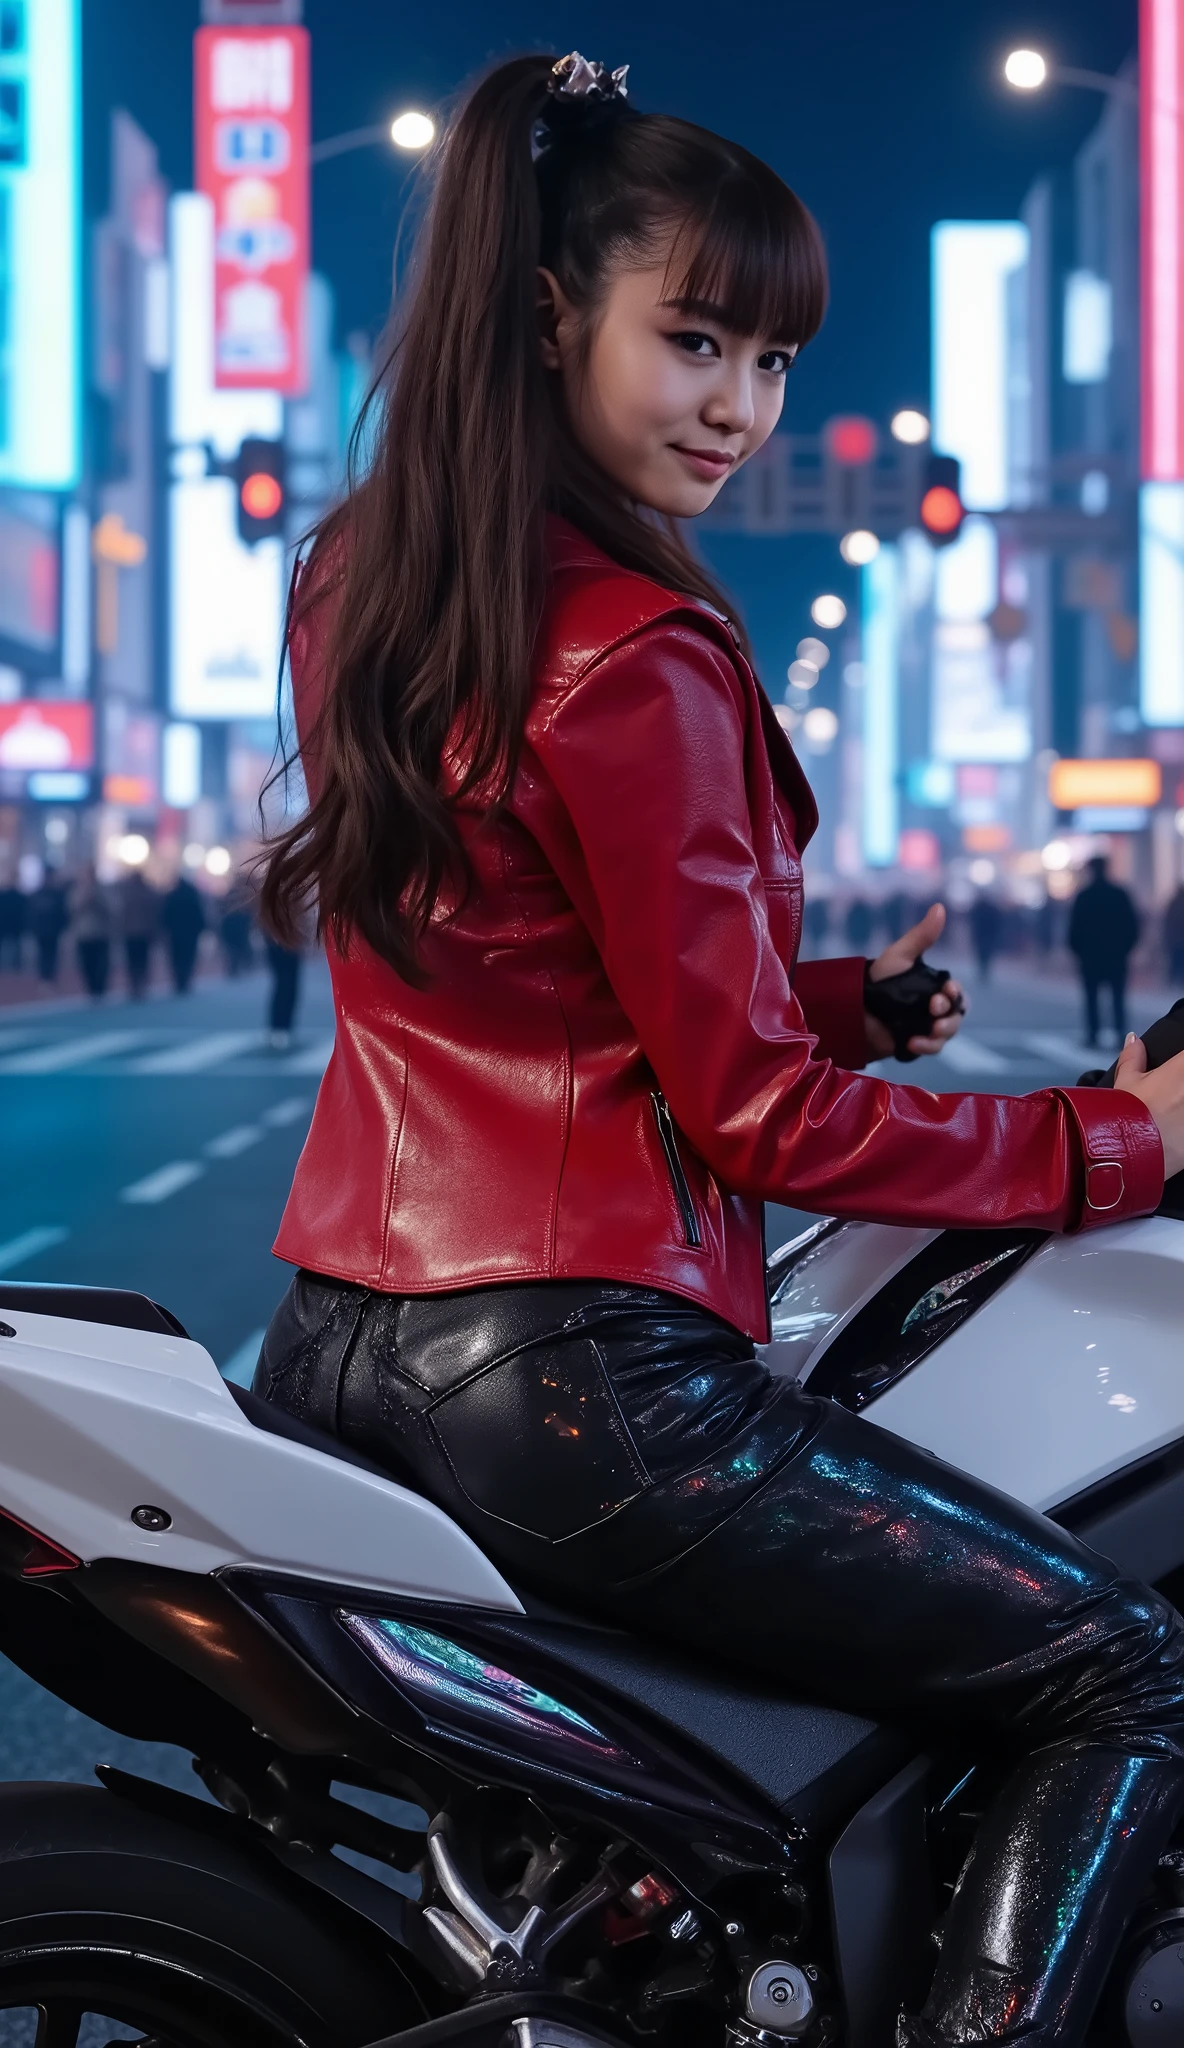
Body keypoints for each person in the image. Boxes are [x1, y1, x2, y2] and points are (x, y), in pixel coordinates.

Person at [253, 56, 1184, 2048]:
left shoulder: (374, 581)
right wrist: (1113, 1142)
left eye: (765, 362)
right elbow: (750, 1116)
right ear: (547, 317)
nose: (737, 411)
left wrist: (844, 996)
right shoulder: (635, 649)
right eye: (692, 340)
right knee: (1119, 1666)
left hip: (343, 1335)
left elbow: (505, 956)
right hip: (580, 1380)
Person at [1068, 852, 1140, 1047]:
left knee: (1092, 999)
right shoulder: (1119, 894)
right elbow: (1132, 925)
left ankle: (1093, 1035)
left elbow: (1074, 928)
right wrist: (1126, 948)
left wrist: (1078, 951)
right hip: (1116, 955)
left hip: (1091, 956)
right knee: (1118, 998)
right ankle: (1120, 1035)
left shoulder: (1084, 896)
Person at [69, 864, 113, 1000]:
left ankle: (100, 989)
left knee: (102, 964)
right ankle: (91, 989)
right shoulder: (78, 890)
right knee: (86, 964)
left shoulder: (103, 890)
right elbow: (72, 909)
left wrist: (97, 899)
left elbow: (111, 908)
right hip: (84, 934)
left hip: (101, 933)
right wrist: (86, 899)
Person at [115, 868, 159, 1000]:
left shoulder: (129, 893)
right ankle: (138, 985)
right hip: (137, 932)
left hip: (136, 933)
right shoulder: (145, 892)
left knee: (136, 961)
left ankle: (137, 985)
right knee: (139, 961)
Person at [159, 873, 205, 994]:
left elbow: (166, 915)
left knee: (176, 957)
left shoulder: (172, 896)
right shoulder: (192, 896)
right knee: (189, 957)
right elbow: (198, 913)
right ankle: (186, 979)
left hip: (176, 933)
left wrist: (165, 928)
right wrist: (201, 928)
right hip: (190, 932)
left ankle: (179, 980)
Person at [26, 869, 69, 983]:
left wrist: (63, 928)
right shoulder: (37, 894)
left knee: (52, 954)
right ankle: (44, 976)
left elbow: (62, 913)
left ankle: (51, 976)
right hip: (41, 930)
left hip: (53, 930)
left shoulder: (57, 894)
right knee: (42, 954)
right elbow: (31, 913)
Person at [264, 937, 302, 1049]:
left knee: (285, 983)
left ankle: (280, 1027)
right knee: (286, 984)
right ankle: (280, 1028)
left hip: (282, 940)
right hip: (283, 940)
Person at [219, 873, 256, 977]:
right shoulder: (242, 897)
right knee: (240, 948)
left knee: (233, 950)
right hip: (239, 929)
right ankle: (241, 966)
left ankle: (235, 968)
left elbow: (222, 914)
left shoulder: (228, 898)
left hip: (232, 929)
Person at [968, 891, 1004, 982]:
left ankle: (983, 969)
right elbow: (998, 921)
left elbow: (973, 920)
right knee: (986, 953)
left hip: (982, 934)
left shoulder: (979, 907)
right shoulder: (992, 908)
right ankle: (984, 969)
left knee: (982, 953)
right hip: (988, 934)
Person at [0, 870, 24, 971]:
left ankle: (16, 964)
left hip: (14, 924)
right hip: (5, 924)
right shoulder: (3, 895)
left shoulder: (19, 896)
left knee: (16, 945)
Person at [1164, 882, 1184, 986]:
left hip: (1175, 941)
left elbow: (1167, 923)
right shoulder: (1174, 904)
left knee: (1176, 964)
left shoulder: (1173, 903)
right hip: (1178, 941)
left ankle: (1173, 984)